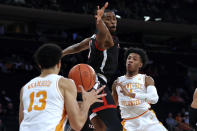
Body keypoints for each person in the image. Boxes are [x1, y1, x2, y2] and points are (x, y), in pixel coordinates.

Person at [62, 2, 122, 131]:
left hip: (88, 85)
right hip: (96, 83)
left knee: (98, 127)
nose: (113, 22)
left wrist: (60, 54)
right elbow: (102, 33)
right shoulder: (106, 38)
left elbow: (77, 47)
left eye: (114, 19)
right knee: (115, 127)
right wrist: (99, 21)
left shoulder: (92, 38)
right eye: (109, 19)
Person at [19, 43, 106, 131]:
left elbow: (22, 122)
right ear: (59, 63)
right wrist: (87, 102)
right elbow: (77, 125)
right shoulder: (64, 83)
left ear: (39, 65)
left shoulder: (25, 88)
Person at [112, 47, 167, 131]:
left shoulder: (146, 79)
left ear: (140, 64)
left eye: (134, 59)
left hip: (147, 119)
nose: (130, 60)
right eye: (129, 58)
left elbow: (154, 99)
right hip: (129, 123)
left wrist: (130, 94)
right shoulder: (117, 82)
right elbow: (112, 106)